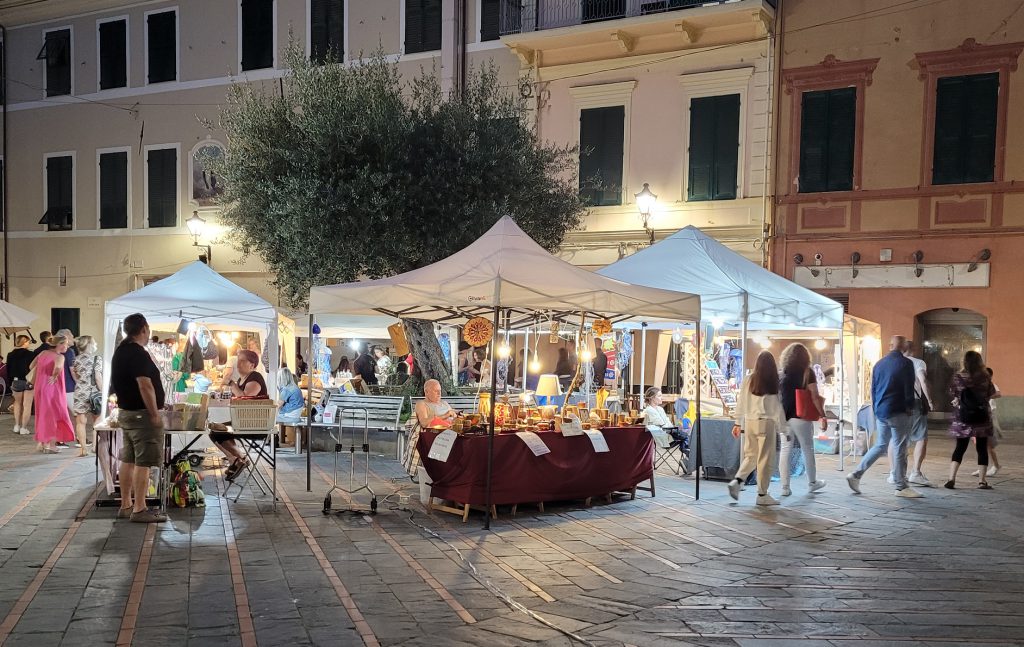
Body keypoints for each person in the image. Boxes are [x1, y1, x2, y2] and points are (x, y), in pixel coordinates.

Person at [847, 335, 922, 498]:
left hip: (882, 410)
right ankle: (901, 486)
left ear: (890, 346)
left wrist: (876, 408)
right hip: (898, 409)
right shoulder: (906, 363)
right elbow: (908, 387)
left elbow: (873, 388)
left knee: (880, 444)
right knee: (900, 446)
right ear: (904, 347)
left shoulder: (879, 363)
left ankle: (856, 474)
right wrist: (909, 406)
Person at [111, 313, 167, 522]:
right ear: (143, 329)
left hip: (126, 413)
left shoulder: (120, 351)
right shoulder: (137, 353)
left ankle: (126, 505)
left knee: (129, 459)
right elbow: (145, 385)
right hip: (141, 415)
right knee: (143, 462)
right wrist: (154, 413)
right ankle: (140, 509)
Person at [729, 351, 788, 506]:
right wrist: (784, 429)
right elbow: (777, 408)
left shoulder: (748, 379)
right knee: (765, 461)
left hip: (750, 422)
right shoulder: (772, 382)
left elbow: (741, 402)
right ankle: (762, 494)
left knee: (750, 456)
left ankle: (737, 481)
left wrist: (737, 422)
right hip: (766, 423)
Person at [778, 343, 827, 496]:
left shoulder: (783, 373)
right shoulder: (808, 372)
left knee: (785, 450)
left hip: (784, 416)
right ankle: (812, 482)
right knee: (807, 448)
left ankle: (785, 487)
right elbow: (814, 396)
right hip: (801, 416)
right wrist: (822, 415)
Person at [213, 349, 268, 480]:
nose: (238, 364)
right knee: (214, 430)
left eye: (243, 361)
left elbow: (245, 399)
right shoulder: (241, 379)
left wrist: (232, 384)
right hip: (243, 421)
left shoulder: (255, 378)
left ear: (252, 365)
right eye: (238, 361)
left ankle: (239, 459)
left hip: (256, 424)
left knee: (218, 432)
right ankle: (236, 459)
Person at [945, 351, 996, 490]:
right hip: (981, 418)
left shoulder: (958, 377)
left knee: (960, 448)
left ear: (964, 362)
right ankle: (982, 481)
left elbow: (954, 393)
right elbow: (991, 394)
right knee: (982, 448)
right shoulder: (985, 377)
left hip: (963, 418)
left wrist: (960, 400)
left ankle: (951, 478)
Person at [890, 340, 934, 487]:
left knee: (895, 438)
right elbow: (922, 380)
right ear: (913, 349)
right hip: (913, 402)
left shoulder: (892, 362)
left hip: (895, 403)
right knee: (921, 437)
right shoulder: (918, 363)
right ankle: (915, 472)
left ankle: (893, 473)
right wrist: (929, 400)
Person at [27, 335, 75, 453]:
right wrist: (54, 375)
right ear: (59, 344)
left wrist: (43, 369)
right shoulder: (60, 356)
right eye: (66, 344)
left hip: (40, 387)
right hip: (53, 389)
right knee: (54, 415)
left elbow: (31, 366)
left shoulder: (43, 353)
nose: (67, 346)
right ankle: (49, 445)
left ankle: (42, 443)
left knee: (42, 414)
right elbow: (57, 367)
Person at [402, 379, 457, 479]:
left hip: (451, 433)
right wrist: (445, 416)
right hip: (434, 437)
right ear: (426, 392)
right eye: (436, 391)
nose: (439, 393)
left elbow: (454, 417)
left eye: (440, 390)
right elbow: (424, 423)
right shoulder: (422, 404)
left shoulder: (444, 403)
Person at [70, 335, 102, 457]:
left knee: (80, 422)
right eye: (94, 342)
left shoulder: (75, 360)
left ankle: (83, 449)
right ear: (89, 345)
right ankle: (95, 446)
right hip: (94, 392)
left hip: (80, 392)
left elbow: (77, 376)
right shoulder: (96, 359)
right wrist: (103, 392)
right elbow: (98, 377)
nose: (95, 344)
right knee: (97, 419)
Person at [974, 367, 1002, 477]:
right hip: (980, 416)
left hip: (988, 416)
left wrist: (986, 396)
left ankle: (995, 465)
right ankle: (983, 466)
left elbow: (998, 393)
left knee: (987, 444)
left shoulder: (991, 385)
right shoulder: (979, 385)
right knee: (980, 444)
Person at [7, 334, 35, 435]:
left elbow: (8, 369)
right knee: (27, 405)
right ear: (24, 342)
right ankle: (24, 428)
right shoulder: (31, 354)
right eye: (28, 342)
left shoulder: (10, 354)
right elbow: (33, 368)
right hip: (28, 381)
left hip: (16, 381)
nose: (29, 343)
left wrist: (10, 382)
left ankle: (16, 426)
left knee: (17, 403)